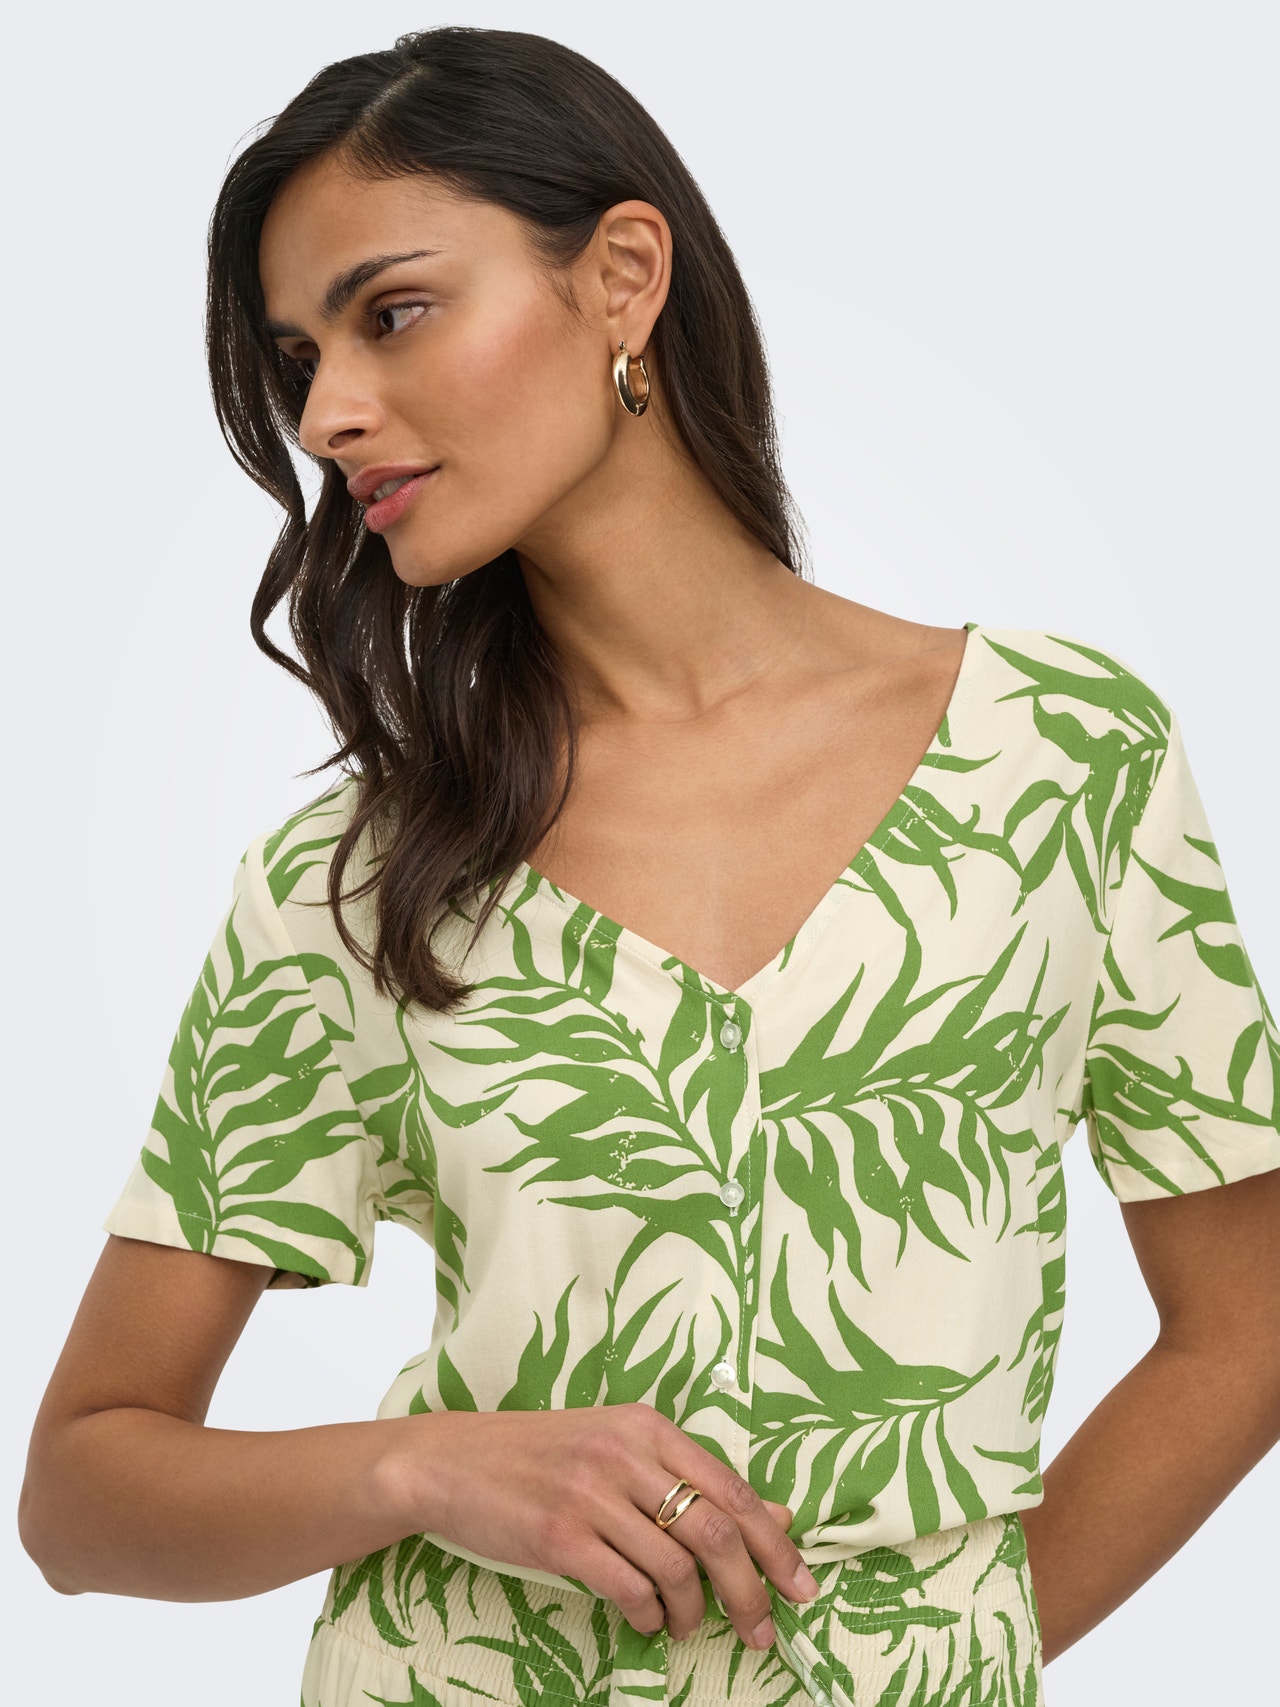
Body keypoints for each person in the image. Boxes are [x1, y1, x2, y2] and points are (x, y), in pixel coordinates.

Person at [18, 24, 1280, 1707]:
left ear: (622, 276)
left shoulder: (1060, 760)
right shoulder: (360, 877)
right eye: (301, 356)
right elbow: (81, 1492)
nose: (328, 412)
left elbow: (1248, 1322)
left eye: (394, 313)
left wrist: (944, 1655)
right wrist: (425, 1469)